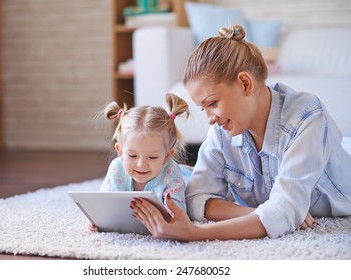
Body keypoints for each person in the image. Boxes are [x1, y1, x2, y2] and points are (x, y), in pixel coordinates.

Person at [130, 25, 351, 241]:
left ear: (245, 84)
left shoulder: (307, 117)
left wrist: (194, 233)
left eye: (213, 103)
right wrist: (258, 213)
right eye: (203, 108)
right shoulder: (222, 128)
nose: (210, 118)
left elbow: (284, 211)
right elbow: (196, 197)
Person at [89, 93, 192, 232]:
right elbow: (106, 203)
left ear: (167, 155)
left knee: (195, 186)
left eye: (152, 157)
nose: (141, 165)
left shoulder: (172, 174)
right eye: (132, 155)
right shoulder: (117, 167)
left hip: (187, 176)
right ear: (120, 151)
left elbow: (178, 215)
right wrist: (96, 220)